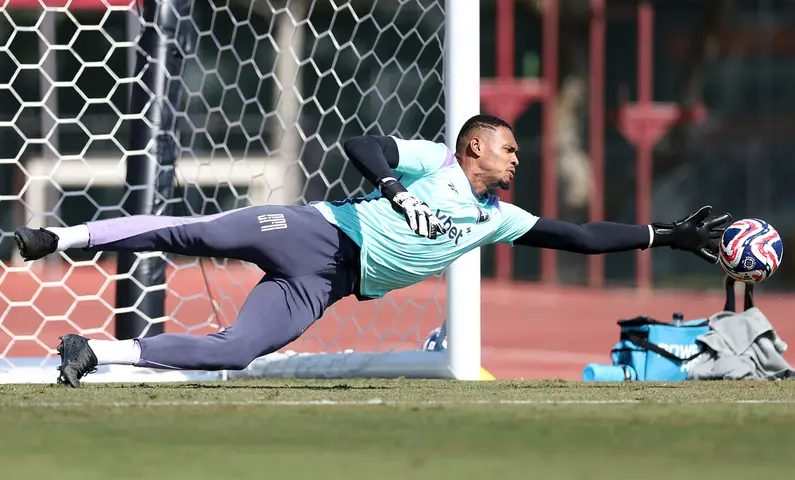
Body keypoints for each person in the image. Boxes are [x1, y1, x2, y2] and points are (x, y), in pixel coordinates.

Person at [13, 115, 731, 388]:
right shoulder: (435, 162)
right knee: (191, 233)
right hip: (315, 230)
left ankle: (93, 353)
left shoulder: (497, 218)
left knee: (237, 350)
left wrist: (668, 234)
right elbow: (361, 144)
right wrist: (392, 188)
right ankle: (57, 237)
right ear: (474, 146)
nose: (516, 158)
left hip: (325, 285)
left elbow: (578, 237)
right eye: (508, 148)